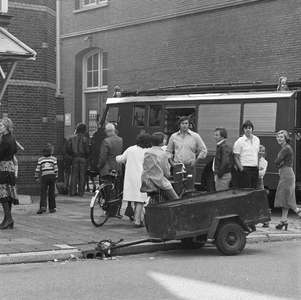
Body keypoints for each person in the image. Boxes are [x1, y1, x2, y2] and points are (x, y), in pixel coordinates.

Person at [116, 133, 151, 227]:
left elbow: (121, 159)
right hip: (143, 176)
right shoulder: (149, 151)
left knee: (136, 197)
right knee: (140, 198)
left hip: (131, 177)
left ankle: (137, 218)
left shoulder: (131, 149)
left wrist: (116, 157)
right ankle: (137, 220)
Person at [166, 116, 207, 194]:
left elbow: (203, 150)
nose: (184, 125)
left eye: (186, 123)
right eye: (182, 123)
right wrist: (171, 162)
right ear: (179, 125)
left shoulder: (195, 136)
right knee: (177, 189)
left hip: (190, 166)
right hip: (178, 166)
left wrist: (195, 162)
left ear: (189, 125)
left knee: (190, 189)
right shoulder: (174, 136)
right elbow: (168, 151)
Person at [274, 130, 301, 230]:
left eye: (281, 137)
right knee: (285, 198)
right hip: (286, 174)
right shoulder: (286, 148)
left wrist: (278, 163)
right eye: (278, 137)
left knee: (286, 198)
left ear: (285, 138)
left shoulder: (285, 148)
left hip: (286, 175)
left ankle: (298, 211)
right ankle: (283, 221)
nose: (279, 139)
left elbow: (277, 161)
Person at [141, 132, 179, 201]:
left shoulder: (147, 152)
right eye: (164, 139)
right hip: (159, 179)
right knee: (175, 199)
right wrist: (168, 175)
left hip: (147, 179)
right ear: (161, 142)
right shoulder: (162, 154)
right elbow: (165, 168)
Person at [99, 123, 123, 213]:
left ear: (106, 131)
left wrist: (99, 166)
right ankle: (115, 209)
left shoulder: (106, 141)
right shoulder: (120, 140)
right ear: (114, 130)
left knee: (106, 188)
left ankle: (108, 206)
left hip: (107, 168)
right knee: (116, 188)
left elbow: (103, 157)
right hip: (117, 167)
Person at [0, 117, 18, 229]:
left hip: (4, 168)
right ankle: (7, 219)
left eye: (1, 125)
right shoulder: (11, 138)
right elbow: (15, 150)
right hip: (10, 167)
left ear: (6, 127)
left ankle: (9, 218)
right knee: (8, 193)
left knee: (3, 194)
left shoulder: (5, 140)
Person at [233, 120, 260, 189]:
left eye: (249, 128)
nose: (248, 130)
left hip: (255, 169)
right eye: (246, 128)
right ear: (243, 130)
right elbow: (236, 157)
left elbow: (257, 154)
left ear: (252, 129)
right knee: (246, 191)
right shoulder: (239, 141)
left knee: (253, 190)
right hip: (245, 168)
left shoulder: (257, 140)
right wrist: (242, 170)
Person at [35, 144, 58, 214]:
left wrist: (36, 177)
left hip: (44, 176)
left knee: (43, 192)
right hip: (52, 176)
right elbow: (56, 169)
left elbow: (38, 169)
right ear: (51, 152)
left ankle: (43, 206)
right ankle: (52, 208)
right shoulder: (54, 159)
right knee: (51, 192)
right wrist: (56, 177)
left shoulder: (40, 159)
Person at [68, 123, 90, 197]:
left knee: (74, 175)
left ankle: (72, 192)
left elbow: (69, 149)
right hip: (83, 158)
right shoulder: (85, 139)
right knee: (82, 175)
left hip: (74, 157)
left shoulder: (71, 138)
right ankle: (81, 193)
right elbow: (87, 151)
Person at [257, 144, 269, 227]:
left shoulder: (264, 162)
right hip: (253, 181)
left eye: (263, 151)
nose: (261, 152)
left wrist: (256, 170)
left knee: (261, 200)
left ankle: (265, 220)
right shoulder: (253, 160)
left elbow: (261, 173)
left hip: (259, 182)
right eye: (260, 150)